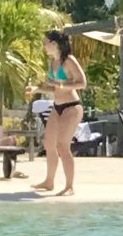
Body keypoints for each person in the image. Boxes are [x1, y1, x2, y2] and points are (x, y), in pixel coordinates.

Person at [35, 29, 87, 197]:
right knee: (49, 144)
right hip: (57, 106)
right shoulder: (53, 63)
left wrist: (62, 84)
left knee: (62, 145)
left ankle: (69, 186)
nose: (44, 46)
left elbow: (82, 83)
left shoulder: (69, 60)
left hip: (72, 107)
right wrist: (36, 88)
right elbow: (53, 87)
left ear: (54, 44)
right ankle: (49, 181)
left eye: (46, 42)